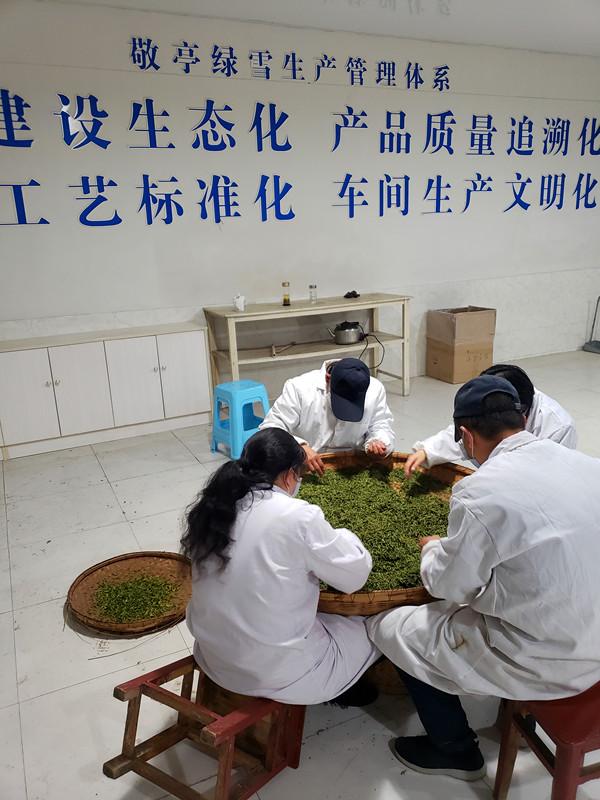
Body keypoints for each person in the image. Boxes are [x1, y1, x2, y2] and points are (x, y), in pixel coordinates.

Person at [367, 375, 600, 782]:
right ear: (522, 419)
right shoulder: (588, 465)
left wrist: (433, 550)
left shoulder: (480, 492)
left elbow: (449, 585)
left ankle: (454, 748)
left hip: (548, 659)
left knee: (392, 627)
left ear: (466, 436)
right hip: (593, 635)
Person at [182, 427, 380, 705]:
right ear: (289, 475)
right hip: (273, 673)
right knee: (373, 628)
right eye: (299, 475)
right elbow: (354, 576)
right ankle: (343, 688)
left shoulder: (215, 507)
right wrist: (346, 535)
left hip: (215, 658)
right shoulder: (297, 516)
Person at [404, 363, 576, 475]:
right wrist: (428, 451)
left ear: (523, 417)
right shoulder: (495, 404)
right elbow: (469, 429)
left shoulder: (558, 427)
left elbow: (546, 479)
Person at [259, 357, 395, 474]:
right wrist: (299, 447)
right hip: (304, 466)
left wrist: (378, 441)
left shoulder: (375, 389)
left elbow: (380, 424)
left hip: (352, 467)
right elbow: (270, 428)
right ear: (328, 379)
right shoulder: (300, 388)